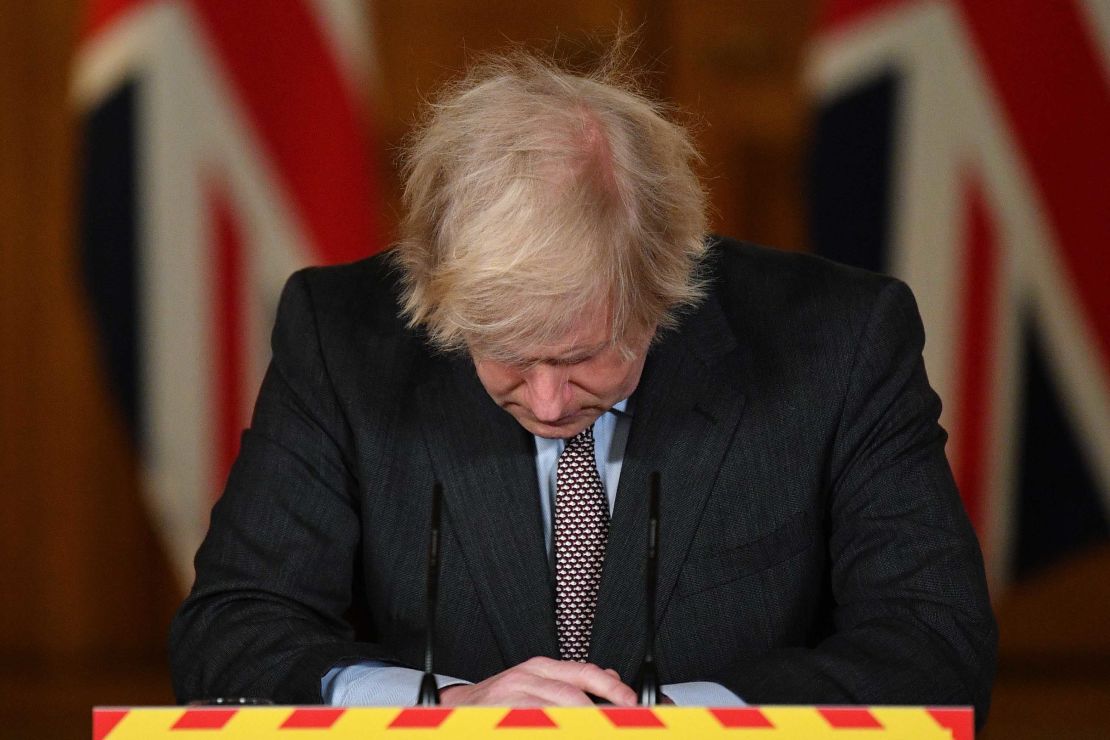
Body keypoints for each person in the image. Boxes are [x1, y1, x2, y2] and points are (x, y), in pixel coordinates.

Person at [169, 47, 997, 721]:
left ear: (665, 283)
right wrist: (446, 709)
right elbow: (231, 632)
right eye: (502, 354)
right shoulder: (340, 337)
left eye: (579, 357)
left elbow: (935, 645)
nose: (546, 402)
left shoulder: (841, 343)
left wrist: (682, 720)